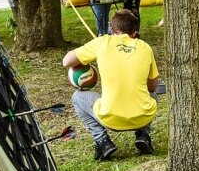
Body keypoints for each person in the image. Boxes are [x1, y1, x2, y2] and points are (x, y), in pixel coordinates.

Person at [63, 10, 160, 160]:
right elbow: (153, 86)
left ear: (112, 29)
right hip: (142, 117)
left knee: (77, 97)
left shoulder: (103, 42)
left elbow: (66, 61)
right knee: (153, 94)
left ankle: (102, 141)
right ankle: (144, 135)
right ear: (134, 33)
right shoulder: (145, 47)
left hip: (110, 118)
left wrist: (87, 59)